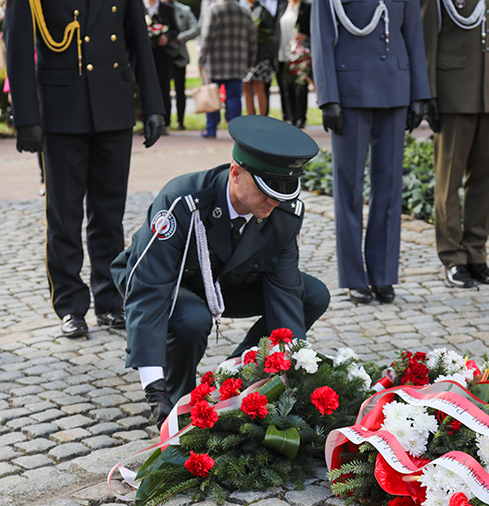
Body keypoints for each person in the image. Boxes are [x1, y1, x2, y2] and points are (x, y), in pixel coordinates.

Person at [112, 115, 330, 427]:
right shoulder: (183, 200)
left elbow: (285, 294)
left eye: (283, 193)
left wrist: (288, 373)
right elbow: (150, 288)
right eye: (266, 190)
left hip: (225, 282)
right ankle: (178, 397)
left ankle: (236, 375)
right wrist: (153, 390)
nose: (274, 201)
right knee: (192, 319)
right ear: (236, 174)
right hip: (166, 281)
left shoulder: (282, 211)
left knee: (313, 295)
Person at [5, 0, 166, 338]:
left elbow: (138, 41)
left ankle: (109, 300)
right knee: (63, 216)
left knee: (109, 214)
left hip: (114, 106)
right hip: (62, 111)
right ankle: (70, 305)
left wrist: (153, 105)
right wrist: (26, 118)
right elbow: (17, 44)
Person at [312, 0, 430, 305]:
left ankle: (383, 274)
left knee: (389, 187)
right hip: (349, 91)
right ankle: (354, 277)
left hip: (396, 87)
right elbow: (322, 36)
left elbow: (414, 35)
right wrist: (328, 98)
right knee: (349, 187)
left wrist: (420, 92)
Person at [422, 0, 489, 289]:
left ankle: (477, 254)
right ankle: (454, 257)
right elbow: (428, 35)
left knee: (485, 179)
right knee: (449, 182)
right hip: (453, 89)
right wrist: (428, 90)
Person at [198, 0, 258, 138]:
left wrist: (201, 60)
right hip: (237, 62)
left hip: (215, 62)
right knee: (234, 97)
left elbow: (206, 37)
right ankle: (236, 132)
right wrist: (250, 61)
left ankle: (211, 129)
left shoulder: (213, 10)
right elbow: (252, 39)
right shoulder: (244, 12)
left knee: (212, 96)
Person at [276, 0, 311, 128]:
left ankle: (301, 117)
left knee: (300, 88)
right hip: (283, 54)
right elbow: (276, 30)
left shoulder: (307, 8)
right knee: (286, 88)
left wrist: (305, 37)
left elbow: (313, 30)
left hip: (300, 56)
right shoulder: (282, 7)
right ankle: (289, 117)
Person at [146, 0, 181, 131]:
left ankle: (165, 123)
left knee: (164, 89)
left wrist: (166, 37)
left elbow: (175, 29)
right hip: (145, 55)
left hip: (163, 56)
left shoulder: (167, 8)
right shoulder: (138, 6)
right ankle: (145, 121)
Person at [167, 0, 201, 130]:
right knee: (163, 90)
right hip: (162, 57)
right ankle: (165, 121)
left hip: (179, 56)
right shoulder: (155, 9)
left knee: (180, 90)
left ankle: (180, 121)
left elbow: (196, 28)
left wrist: (179, 38)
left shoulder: (183, 10)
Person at [244, 0, 277, 116]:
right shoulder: (246, 10)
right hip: (247, 56)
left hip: (261, 56)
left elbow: (270, 34)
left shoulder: (263, 11)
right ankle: (250, 117)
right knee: (246, 87)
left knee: (259, 86)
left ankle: (263, 118)